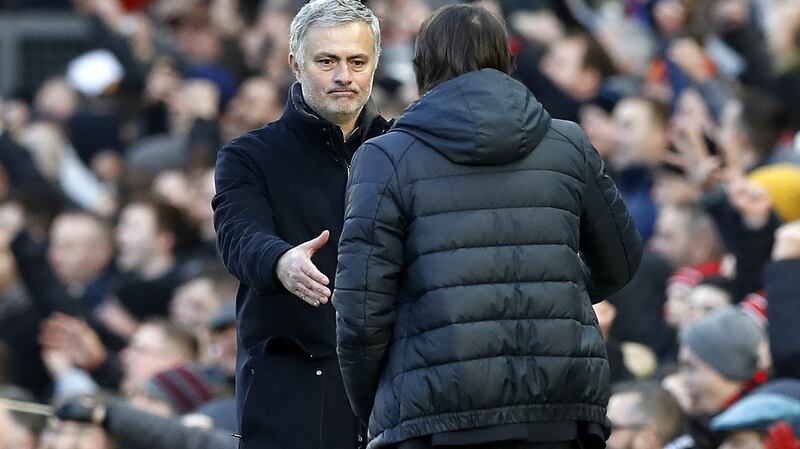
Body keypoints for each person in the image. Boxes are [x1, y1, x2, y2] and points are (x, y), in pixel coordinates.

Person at [334, 5, 642, 449]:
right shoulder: (569, 143)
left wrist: (373, 408)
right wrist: (551, 295)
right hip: (559, 407)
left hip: (435, 414)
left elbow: (361, 311)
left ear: (424, 65)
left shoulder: (385, 158)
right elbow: (622, 259)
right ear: (505, 58)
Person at [212, 0, 391, 447]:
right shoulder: (249, 155)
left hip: (393, 383)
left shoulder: (402, 150)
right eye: (327, 61)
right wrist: (280, 261)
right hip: (290, 388)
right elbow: (237, 235)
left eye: (357, 61)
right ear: (295, 63)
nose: (344, 76)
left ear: (374, 65)